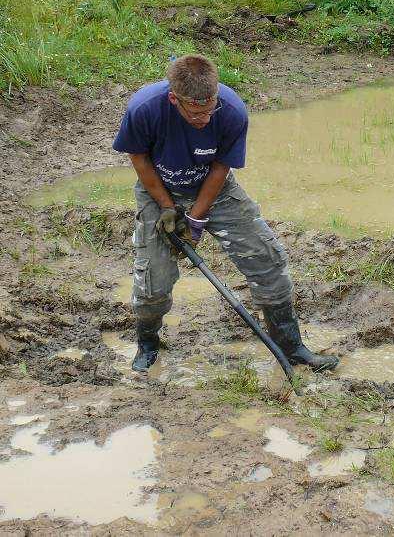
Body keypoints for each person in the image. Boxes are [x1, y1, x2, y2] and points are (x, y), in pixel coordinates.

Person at [113, 54, 338, 373]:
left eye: (210, 109)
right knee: (153, 280)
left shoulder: (232, 112)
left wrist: (195, 219)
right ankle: (148, 344)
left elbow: (221, 167)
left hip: (214, 187)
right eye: (195, 113)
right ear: (174, 99)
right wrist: (166, 207)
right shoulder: (144, 109)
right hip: (157, 190)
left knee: (267, 258)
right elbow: (138, 158)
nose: (205, 119)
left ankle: (291, 348)